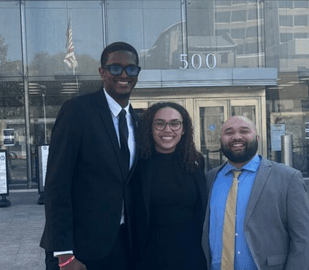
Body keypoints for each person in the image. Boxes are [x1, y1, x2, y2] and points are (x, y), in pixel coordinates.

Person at [39, 41, 141, 270]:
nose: (124, 74)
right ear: (103, 72)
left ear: (137, 73)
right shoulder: (77, 111)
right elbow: (57, 185)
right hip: (79, 250)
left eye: (131, 68)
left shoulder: (137, 120)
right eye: (116, 68)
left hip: (121, 246)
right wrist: (64, 253)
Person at [202, 116, 309, 270]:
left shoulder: (288, 178)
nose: (236, 137)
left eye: (244, 131)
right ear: (221, 140)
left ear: (257, 137)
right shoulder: (209, 179)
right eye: (229, 132)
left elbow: (303, 236)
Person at [132, 102, 208, 270]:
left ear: (183, 129)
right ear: (150, 128)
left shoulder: (196, 161)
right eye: (160, 123)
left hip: (192, 257)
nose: (167, 129)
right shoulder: (137, 165)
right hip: (148, 258)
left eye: (175, 123)